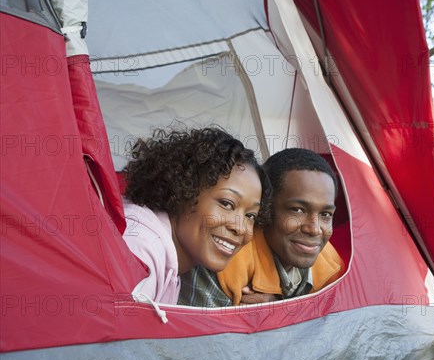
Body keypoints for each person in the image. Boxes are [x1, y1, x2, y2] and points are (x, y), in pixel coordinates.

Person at [121, 127, 271, 305]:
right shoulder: (141, 251)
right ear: (183, 189)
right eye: (226, 203)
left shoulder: (169, 255)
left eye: (251, 215)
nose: (240, 227)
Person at [179, 148, 344, 307]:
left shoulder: (333, 267)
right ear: (265, 208)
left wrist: (275, 314)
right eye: (297, 210)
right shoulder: (220, 261)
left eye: (326, 214)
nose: (314, 229)